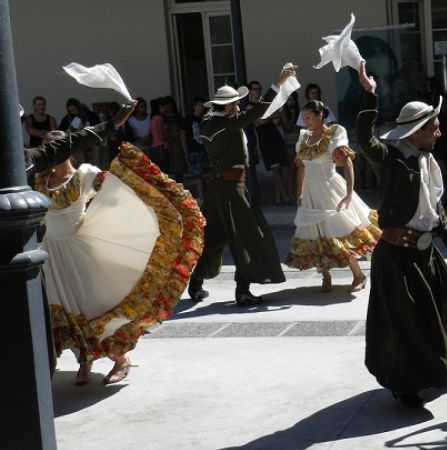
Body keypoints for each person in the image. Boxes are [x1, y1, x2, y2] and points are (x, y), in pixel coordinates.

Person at [357, 61, 447, 408]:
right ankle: (406, 384)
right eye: (434, 128)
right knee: (406, 325)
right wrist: (369, 96)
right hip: (397, 257)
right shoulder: (391, 159)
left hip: (426, 254)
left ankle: (430, 366)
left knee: (442, 311)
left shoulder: (430, 161)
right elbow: (364, 141)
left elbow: (434, 206)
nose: (439, 133)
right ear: (416, 131)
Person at [36, 129, 203, 386]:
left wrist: (119, 219)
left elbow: (120, 189)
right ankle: (84, 360)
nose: (48, 153)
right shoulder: (40, 179)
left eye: (54, 147)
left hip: (78, 252)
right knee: (64, 311)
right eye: (45, 147)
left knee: (93, 306)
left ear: (67, 149)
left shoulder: (84, 175)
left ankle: (120, 359)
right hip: (52, 256)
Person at [187, 65, 294, 306]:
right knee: (248, 236)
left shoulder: (209, 123)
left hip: (217, 190)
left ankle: (195, 283)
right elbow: (257, 111)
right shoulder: (228, 123)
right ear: (226, 106)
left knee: (214, 238)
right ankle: (242, 290)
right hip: (232, 189)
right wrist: (278, 83)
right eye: (234, 103)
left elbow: (239, 115)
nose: (238, 106)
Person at [285, 100, 379, 292]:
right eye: (303, 118)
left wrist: (349, 194)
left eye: (309, 117)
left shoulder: (334, 134)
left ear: (320, 115)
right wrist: (300, 192)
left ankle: (359, 275)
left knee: (339, 229)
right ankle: (325, 276)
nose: (305, 121)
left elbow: (347, 163)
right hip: (311, 193)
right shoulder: (303, 138)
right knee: (315, 233)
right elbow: (301, 167)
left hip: (330, 189)